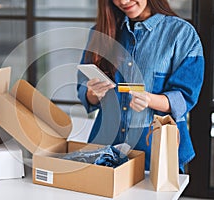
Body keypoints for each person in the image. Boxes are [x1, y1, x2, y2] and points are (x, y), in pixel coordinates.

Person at [77, 0, 204, 173]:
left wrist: (149, 99)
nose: (123, 1)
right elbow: (83, 89)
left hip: (154, 153)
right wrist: (93, 93)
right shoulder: (100, 33)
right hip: (104, 150)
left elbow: (185, 98)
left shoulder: (182, 34)